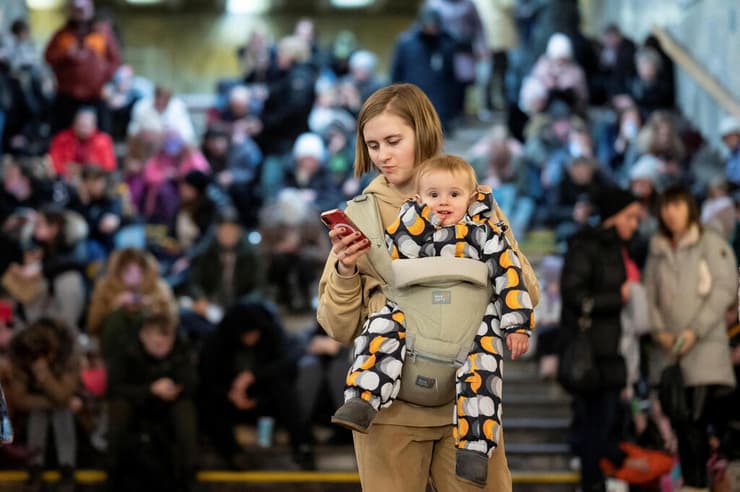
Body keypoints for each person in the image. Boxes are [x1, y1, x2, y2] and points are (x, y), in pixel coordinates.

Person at [317, 83, 516, 491]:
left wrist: (481, 235)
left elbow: (523, 286)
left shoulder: (476, 203)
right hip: (387, 411)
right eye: (372, 145)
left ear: (423, 132)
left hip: (470, 403)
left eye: (393, 141)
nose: (382, 155)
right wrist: (346, 270)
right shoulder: (360, 216)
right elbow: (336, 326)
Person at [643, 185, 737, 491]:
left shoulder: (711, 243)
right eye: (666, 206)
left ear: (689, 208)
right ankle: (692, 484)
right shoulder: (656, 248)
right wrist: (661, 332)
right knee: (681, 424)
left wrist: (693, 331)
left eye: (678, 205)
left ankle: (697, 485)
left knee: (696, 423)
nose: (671, 213)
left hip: (705, 352)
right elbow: (649, 296)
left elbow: (724, 289)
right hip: (668, 354)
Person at [559, 187, 643, 492]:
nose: (635, 225)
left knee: (603, 425)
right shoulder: (587, 246)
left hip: (610, 351)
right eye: (631, 217)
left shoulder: (616, 247)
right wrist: (616, 297)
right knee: (594, 426)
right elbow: (574, 295)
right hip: (592, 356)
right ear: (615, 216)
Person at [198, 301, 314, 470]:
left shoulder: (270, 333)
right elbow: (207, 378)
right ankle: (233, 454)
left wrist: (253, 376)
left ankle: (302, 447)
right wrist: (230, 394)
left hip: (263, 398)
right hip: (229, 400)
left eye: (254, 334)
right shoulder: (216, 341)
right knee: (206, 403)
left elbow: (287, 363)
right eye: (246, 335)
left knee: (283, 389)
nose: (251, 339)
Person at [106, 312, 197, 492]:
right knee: (118, 408)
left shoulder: (181, 347)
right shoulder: (125, 350)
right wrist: (150, 390)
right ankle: (112, 471)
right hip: (136, 401)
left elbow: (193, 381)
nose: (163, 348)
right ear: (143, 336)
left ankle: (188, 472)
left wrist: (178, 387)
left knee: (185, 409)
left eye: (167, 343)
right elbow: (114, 388)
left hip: (169, 403)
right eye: (157, 343)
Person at [7, 318, 80, 492]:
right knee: (40, 412)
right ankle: (35, 468)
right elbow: (19, 399)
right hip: (38, 406)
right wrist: (56, 401)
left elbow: (63, 394)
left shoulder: (69, 350)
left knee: (62, 412)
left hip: (72, 402)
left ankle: (67, 468)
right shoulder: (22, 349)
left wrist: (43, 374)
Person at [44, 0, 121, 134]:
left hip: (95, 95)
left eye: (84, 10)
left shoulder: (101, 34)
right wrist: (66, 54)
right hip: (67, 96)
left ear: (90, 10)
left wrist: (103, 77)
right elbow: (48, 57)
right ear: (71, 11)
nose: (81, 14)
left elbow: (115, 60)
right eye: (77, 10)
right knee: (61, 133)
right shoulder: (62, 35)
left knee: (101, 135)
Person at [48, 108, 116, 179]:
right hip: (65, 179)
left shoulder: (103, 141)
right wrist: (66, 171)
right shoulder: (62, 139)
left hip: (93, 182)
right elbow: (53, 162)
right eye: (80, 125)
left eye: (86, 126)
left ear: (94, 125)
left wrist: (83, 170)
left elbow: (109, 167)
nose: (83, 129)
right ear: (74, 123)